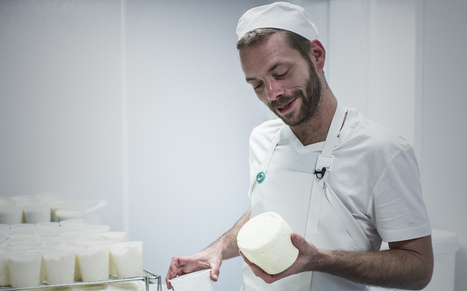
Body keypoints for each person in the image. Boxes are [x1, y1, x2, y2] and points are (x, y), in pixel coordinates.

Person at [166, 2, 433, 290]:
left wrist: (320, 259)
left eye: (280, 72)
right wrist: (216, 249)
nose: (272, 94)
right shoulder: (262, 140)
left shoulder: (382, 151)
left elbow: (419, 268)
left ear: (316, 56)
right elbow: (264, 209)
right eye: (257, 84)